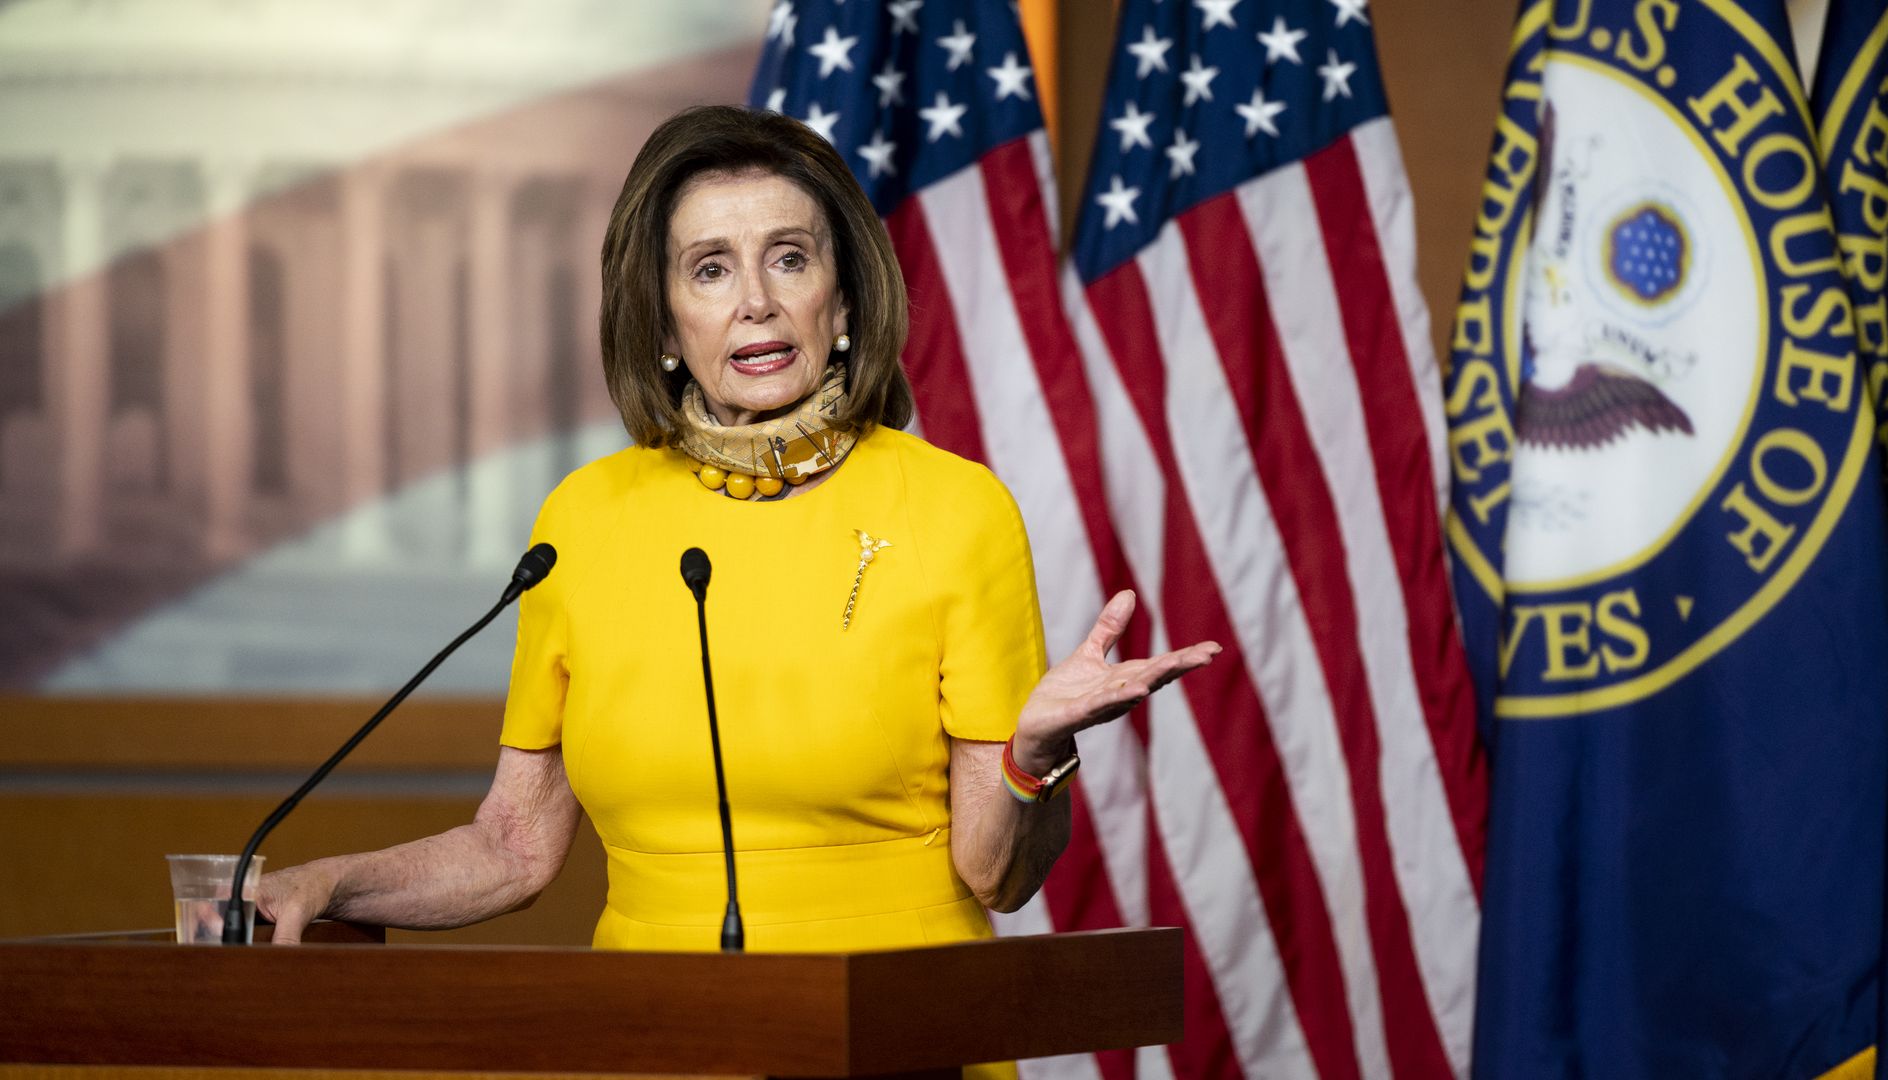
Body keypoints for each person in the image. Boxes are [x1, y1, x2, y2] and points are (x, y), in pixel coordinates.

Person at [259, 106, 1216, 966]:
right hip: (654, 1038)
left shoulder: (956, 510)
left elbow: (997, 878)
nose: (754, 299)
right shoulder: (582, 522)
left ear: (842, 304)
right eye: (710, 268)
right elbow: (514, 847)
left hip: (895, 1040)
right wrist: (332, 884)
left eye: (790, 258)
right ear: (667, 324)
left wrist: (1033, 757)